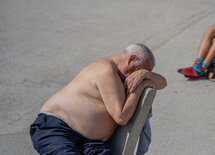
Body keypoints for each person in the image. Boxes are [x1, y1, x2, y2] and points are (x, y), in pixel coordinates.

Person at [29, 43, 167, 154]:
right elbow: (121, 117)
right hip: (57, 128)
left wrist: (145, 75)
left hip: (91, 143)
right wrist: (141, 86)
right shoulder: (106, 69)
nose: (138, 77)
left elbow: (163, 83)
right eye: (140, 71)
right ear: (131, 59)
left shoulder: (130, 75)